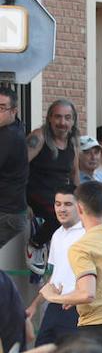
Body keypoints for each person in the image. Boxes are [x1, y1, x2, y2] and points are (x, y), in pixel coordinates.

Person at [39, 180, 102, 343]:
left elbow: (87, 294)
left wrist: (53, 297)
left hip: (98, 331)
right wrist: (74, 297)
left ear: (79, 208)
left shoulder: (80, 247)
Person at [26, 99, 80, 272]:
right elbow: (16, 169)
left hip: (61, 194)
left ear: (73, 120)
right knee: (61, 212)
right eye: (57, 117)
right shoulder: (39, 137)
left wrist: (86, 201)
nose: (62, 123)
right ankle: (35, 244)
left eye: (67, 118)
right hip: (37, 193)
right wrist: (21, 202)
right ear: (49, 118)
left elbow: (75, 175)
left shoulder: (73, 142)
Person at [27, 184, 84, 345]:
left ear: (79, 206)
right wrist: (34, 306)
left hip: (77, 308)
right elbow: (54, 278)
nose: (61, 209)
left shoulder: (88, 234)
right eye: (58, 204)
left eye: (68, 204)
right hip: (54, 305)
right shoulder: (57, 234)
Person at [0, 86, 28, 253]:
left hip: (6, 215)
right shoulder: (13, 128)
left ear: (14, 111)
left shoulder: (9, 136)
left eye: (2, 107)